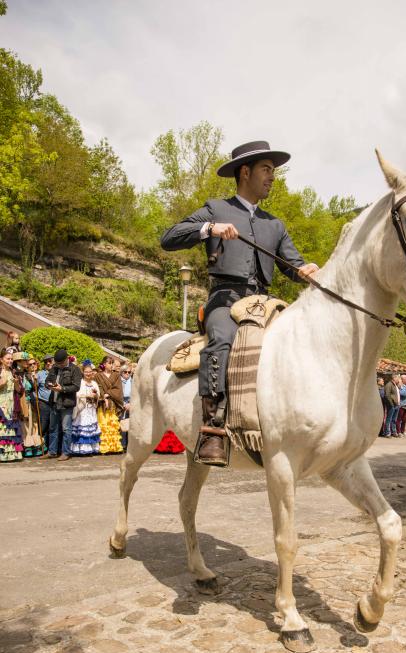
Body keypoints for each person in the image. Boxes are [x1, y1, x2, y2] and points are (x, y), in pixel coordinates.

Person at [160, 140, 319, 465]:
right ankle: (213, 429)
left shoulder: (274, 224)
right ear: (245, 172)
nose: (272, 178)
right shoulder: (217, 208)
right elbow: (169, 237)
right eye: (266, 170)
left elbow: (293, 265)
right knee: (222, 339)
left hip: (265, 301)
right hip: (224, 298)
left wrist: (308, 270)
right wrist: (209, 228)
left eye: (273, 171)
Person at [44, 349, 82, 461]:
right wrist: (49, 385)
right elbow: (47, 380)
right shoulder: (54, 368)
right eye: (57, 363)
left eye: (61, 363)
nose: (59, 365)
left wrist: (62, 389)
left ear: (67, 359)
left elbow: (76, 387)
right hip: (54, 402)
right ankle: (52, 452)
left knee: (66, 429)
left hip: (66, 403)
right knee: (53, 428)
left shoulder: (75, 369)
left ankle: (66, 452)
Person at [94, 356, 123, 454]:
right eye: (109, 363)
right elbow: (98, 387)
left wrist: (108, 394)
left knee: (112, 425)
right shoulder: (98, 375)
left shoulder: (116, 375)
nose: (111, 365)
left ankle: (114, 447)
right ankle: (104, 447)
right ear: (104, 364)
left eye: (112, 363)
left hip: (113, 403)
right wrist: (103, 397)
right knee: (103, 424)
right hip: (102, 404)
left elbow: (118, 389)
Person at [71, 364, 101, 456]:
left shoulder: (94, 383)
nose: (88, 373)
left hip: (91, 408)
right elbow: (77, 394)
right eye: (86, 372)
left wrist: (95, 396)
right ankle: (81, 449)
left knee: (91, 427)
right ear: (83, 373)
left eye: (90, 372)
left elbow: (98, 395)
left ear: (92, 372)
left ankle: (91, 448)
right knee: (82, 426)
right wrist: (87, 395)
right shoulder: (80, 382)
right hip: (82, 409)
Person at [0, 348, 24, 462]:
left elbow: (19, 391)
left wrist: (16, 384)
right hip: (1, 403)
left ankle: (10, 454)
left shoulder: (13, 372)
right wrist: (2, 383)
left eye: (11, 359)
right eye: (7, 359)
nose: (10, 361)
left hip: (11, 404)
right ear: (1, 359)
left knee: (10, 429)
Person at [21, 356, 43, 457]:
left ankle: (37, 444)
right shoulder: (24, 375)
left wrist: (36, 380)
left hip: (37, 402)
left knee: (35, 424)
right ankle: (28, 445)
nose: (32, 366)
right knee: (27, 424)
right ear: (27, 367)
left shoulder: (40, 375)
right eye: (30, 364)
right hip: (27, 401)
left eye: (34, 363)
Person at [36, 355, 54, 451]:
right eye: (46, 362)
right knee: (44, 424)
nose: (48, 363)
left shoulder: (57, 373)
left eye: (50, 361)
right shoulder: (40, 374)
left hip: (54, 403)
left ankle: (51, 447)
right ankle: (41, 445)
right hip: (43, 402)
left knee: (53, 425)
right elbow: (35, 387)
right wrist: (36, 400)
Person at [119, 363, 132, 451]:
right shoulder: (118, 381)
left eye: (129, 372)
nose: (127, 374)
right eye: (125, 372)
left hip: (131, 405)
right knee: (122, 425)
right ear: (121, 372)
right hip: (121, 405)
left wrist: (131, 404)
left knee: (130, 426)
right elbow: (117, 394)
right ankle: (122, 445)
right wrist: (123, 404)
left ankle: (130, 446)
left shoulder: (133, 381)